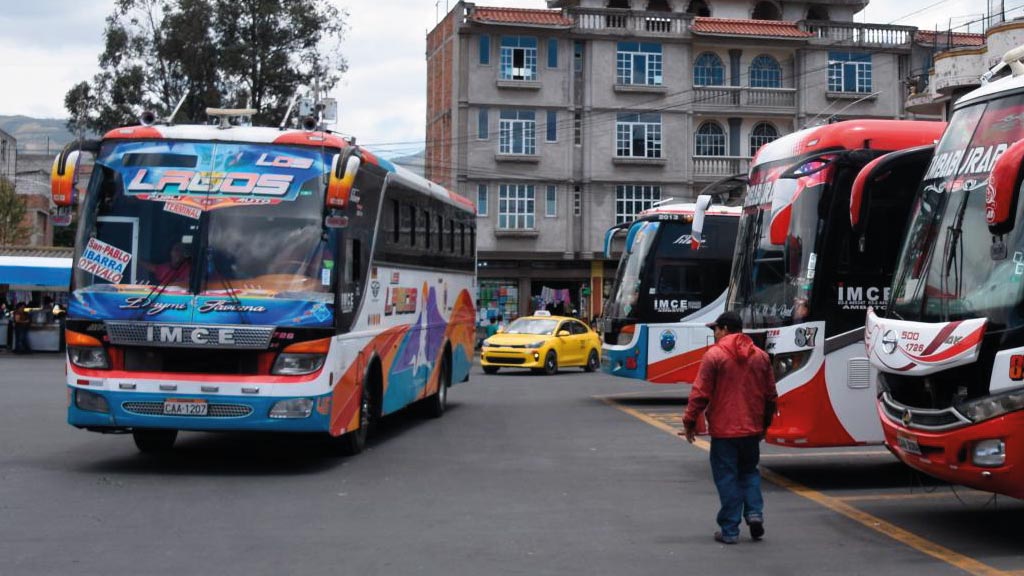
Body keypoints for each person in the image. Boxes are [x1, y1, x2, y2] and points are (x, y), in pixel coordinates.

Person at [681, 311, 777, 545]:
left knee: (727, 477)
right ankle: (754, 514)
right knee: (749, 473)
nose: (714, 334)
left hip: (724, 431)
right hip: (751, 429)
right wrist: (764, 425)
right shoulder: (761, 357)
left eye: (715, 329)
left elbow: (700, 394)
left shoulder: (714, 356)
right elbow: (771, 395)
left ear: (724, 329)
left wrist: (689, 421)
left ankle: (730, 529)